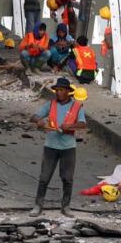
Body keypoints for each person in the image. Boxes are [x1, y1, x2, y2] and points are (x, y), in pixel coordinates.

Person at [29, 78, 87, 217]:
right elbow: (34, 116)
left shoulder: (76, 106)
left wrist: (70, 126)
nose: (58, 92)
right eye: (57, 90)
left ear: (68, 91)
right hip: (51, 145)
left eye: (61, 90)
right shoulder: (51, 104)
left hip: (68, 147)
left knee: (67, 178)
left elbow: (83, 124)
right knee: (44, 177)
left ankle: (66, 206)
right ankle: (38, 205)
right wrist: (39, 121)